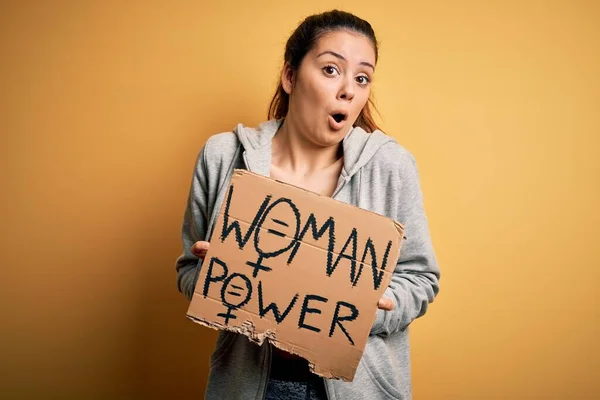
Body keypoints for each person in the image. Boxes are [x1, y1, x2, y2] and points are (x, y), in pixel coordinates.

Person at [175, 9, 440, 400]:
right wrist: (213, 279)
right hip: (250, 388)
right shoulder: (222, 156)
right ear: (290, 76)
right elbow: (187, 269)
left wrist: (374, 309)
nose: (348, 89)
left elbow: (420, 278)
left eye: (362, 78)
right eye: (332, 69)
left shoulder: (390, 166)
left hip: (358, 391)